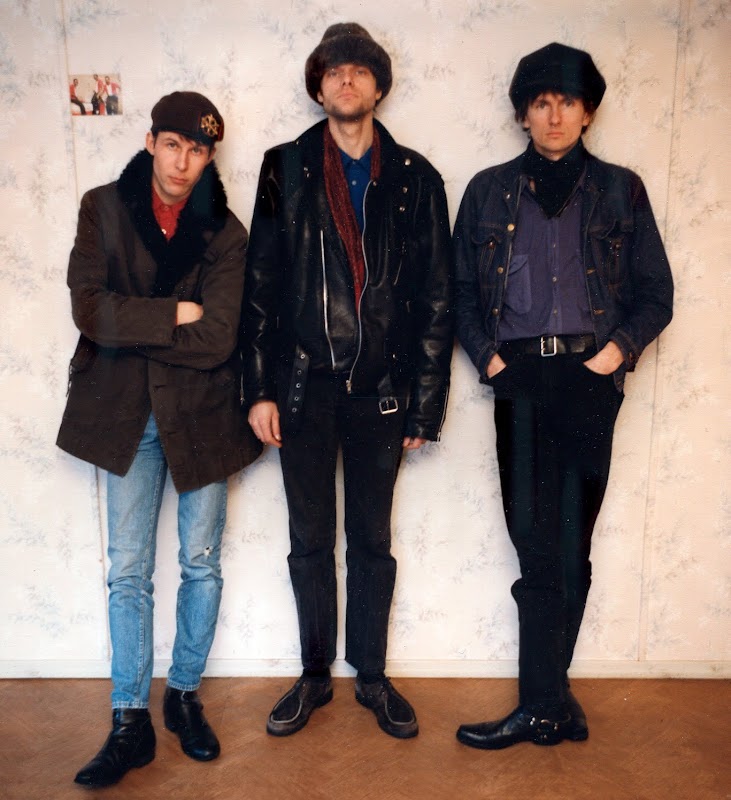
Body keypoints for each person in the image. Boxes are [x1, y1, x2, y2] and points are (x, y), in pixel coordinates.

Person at [453, 43, 673, 749]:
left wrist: (608, 359)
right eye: (541, 102)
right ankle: (546, 704)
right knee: (534, 546)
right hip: (518, 380)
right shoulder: (487, 190)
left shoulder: (621, 190)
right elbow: (459, 293)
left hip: (588, 380)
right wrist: (493, 365)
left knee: (571, 546)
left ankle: (546, 702)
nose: (553, 115)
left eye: (567, 102)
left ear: (588, 112)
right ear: (523, 113)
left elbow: (656, 293)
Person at [243, 23, 452, 739]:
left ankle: (370, 675)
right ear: (319, 86)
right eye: (334, 70)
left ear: (378, 86)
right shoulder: (284, 167)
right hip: (302, 387)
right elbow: (260, 285)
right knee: (308, 540)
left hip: (381, 390)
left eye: (359, 70)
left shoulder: (417, 178)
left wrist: (425, 403)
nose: (346, 80)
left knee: (371, 540)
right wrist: (259, 390)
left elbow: (436, 298)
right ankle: (312, 676)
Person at [57, 91, 261, 787]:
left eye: (198, 150)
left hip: (203, 414)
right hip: (123, 415)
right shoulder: (102, 209)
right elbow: (90, 311)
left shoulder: (226, 233)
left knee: (201, 563)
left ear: (209, 157)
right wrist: (175, 311)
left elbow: (219, 338)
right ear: (150, 143)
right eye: (173, 145)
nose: (183, 161)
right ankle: (128, 720)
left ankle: (183, 697)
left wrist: (133, 327)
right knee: (128, 571)